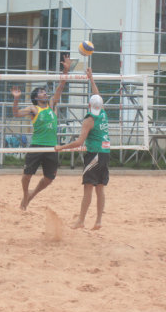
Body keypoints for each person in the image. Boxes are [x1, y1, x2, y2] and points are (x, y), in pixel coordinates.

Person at [11, 56, 70, 210]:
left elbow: (61, 86)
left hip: (51, 147)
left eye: (45, 92)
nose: (45, 94)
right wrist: (16, 99)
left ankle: (31, 195)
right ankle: (25, 194)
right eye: (42, 92)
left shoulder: (51, 105)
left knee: (49, 178)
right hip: (37, 145)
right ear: (36, 97)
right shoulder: (34, 109)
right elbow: (16, 113)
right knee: (26, 176)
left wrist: (66, 69)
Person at [55, 68, 110, 230]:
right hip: (105, 153)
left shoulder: (89, 119)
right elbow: (97, 95)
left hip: (94, 154)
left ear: (89, 105)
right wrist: (91, 79)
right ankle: (98, 220)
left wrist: (61, 147)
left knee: (88, 188)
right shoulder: (103, 113)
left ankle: (81, 220)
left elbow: (79, 142)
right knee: (100, 188)